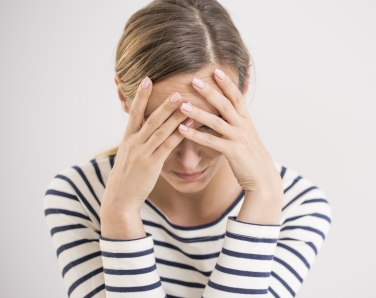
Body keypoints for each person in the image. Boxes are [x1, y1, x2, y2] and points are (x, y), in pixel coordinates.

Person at [43, 0, 332, 297]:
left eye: (209, 126)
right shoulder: (78, 194)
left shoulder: (298, 206)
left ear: (242, 92)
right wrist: (120, 214)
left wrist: (264, 200)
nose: (190, 162)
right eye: (163, 128)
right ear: (124, 97)